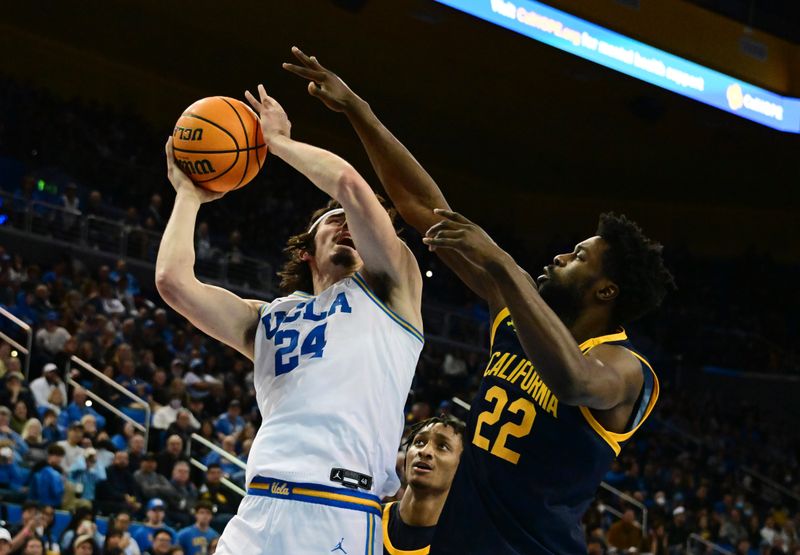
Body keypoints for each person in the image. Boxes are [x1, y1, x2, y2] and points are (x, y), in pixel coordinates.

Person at [284, 48, 674, 554]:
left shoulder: (626, 370)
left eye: (577, 256)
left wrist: (504, 267)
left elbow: (573, 381)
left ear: (606, 291)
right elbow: (423, 208)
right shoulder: (515, 313)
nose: (559, 257)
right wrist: (359, 110)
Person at [155, 82, 423, 554]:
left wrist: (276, 143)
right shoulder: (269, 319)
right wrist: (188, 196)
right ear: (307, 250)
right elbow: (173, 281)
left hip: (339, 509)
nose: (347, 223)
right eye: (333, 220)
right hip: (257, 511)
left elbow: (349, 185)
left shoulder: (394, 288)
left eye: (353, 220)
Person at [382, 417, 465, 555]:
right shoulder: (367, 519)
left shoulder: (466, 546)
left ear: (462, 467)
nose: (425, 451)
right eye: (419, 442)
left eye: (442, 446)